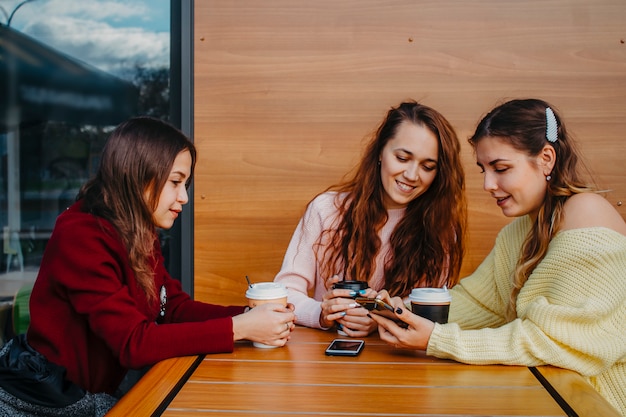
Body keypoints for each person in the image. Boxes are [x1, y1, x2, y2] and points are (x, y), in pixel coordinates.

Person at [0, 117, 296, 416]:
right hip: (46, 400)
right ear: (138, 175)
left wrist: (249, 316)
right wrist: (240, 328)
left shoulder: (136, 230)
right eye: (176, 182)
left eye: (186, 184)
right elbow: (134, 343)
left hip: (91, 392)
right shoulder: (81, 235)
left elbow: (173, 308)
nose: (184, 197)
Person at [371, 98, 626, 415]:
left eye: (501, 169)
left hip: (589, 402)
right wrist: (400, 311)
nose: (488, 185)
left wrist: (438, 339)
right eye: (484, 169)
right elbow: (480, 302)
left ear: (546, 159)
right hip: (546, 390)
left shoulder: (587, 215)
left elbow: (557, 344)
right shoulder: (522, 229)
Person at [274, 100, 466, 337]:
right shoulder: (325, 210)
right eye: (403, 158)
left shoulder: (441, 229)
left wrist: (381, 317)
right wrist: (323, 313)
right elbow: (285, 292)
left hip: (400, 359)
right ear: (380, 152)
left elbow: (430, 308)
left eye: (427, 167)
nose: (412, 175)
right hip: (323, 355)